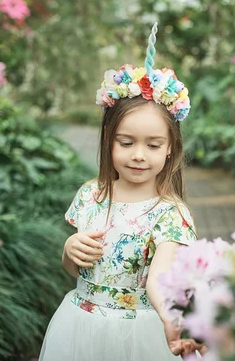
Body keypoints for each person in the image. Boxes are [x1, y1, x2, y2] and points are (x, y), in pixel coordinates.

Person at [39, 23, 204, 360]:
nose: (138, 154)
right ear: (108, 140)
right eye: (126, 142)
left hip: (138, 334)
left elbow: (159, 279)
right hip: (80, 323)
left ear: (171, 148)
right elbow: (74, 268)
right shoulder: (91, 195)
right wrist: (70, 250)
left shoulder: (171, 213)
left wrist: (171, 317)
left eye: (153, 144)